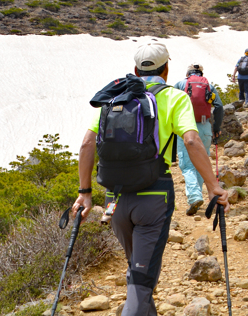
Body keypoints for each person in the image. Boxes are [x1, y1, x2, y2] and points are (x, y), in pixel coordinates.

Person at [73, 43, 229, 316]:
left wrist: (85, 193)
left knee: (137, 269)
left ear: (135, 70)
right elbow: (191, 140)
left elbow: (87, 144)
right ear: (166, 70)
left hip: (115, 200)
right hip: (154, 196)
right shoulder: (174, 98)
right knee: (142, 280)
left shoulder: (114, 96)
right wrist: (214, 187)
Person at [173, 63, 224, 216]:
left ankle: (194, 197)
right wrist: (216, 128)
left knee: (187, 164)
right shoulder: (209, 85)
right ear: (201, 73)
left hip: (186, 127)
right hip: (205, 127)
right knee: (202, 162)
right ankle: (198, 195)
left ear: (187, 72)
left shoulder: (181, 84)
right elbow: (219, 106)